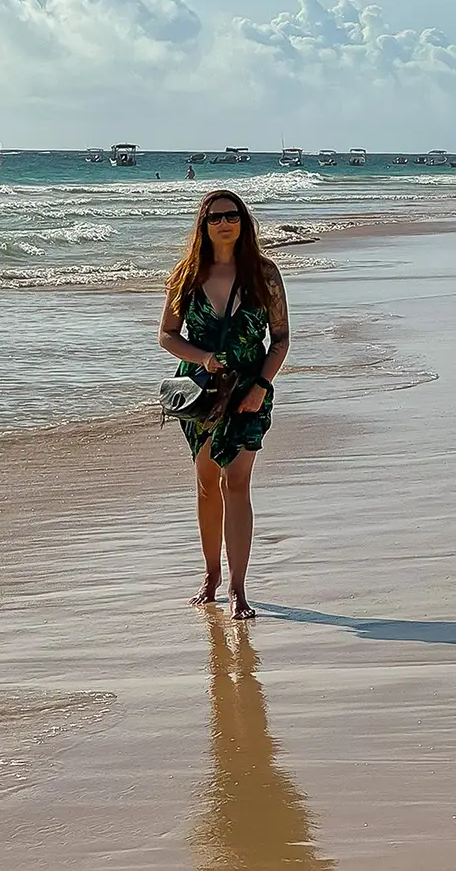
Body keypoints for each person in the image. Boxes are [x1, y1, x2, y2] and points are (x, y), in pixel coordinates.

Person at [158, 190, 290, 618]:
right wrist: (204, 359)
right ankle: (210, 575)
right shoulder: (186, 275)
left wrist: (261, 387)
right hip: (200, 395)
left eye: (232, 215)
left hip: (250, 391)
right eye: (215, 217)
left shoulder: (263, 274)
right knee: (206, 482)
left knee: (236, 481)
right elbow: (167, 336)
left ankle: (238, 588)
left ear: (243, 222)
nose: (225, 223)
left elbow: (281, 338)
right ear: (204, 225)